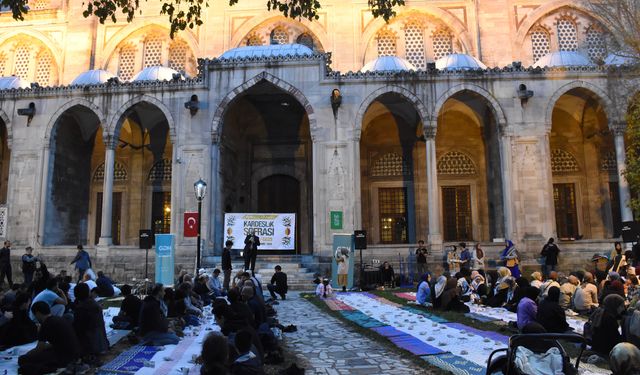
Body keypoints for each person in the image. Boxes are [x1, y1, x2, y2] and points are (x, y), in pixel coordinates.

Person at [18, 301, 81, 375]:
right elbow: (58, 341)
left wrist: (27, 355)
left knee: (22, 360)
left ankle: (54, 368)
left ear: (38, 313)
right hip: (74, 353)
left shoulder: (46, 324)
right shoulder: (60, 319)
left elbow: (39, 348)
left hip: (63, 357)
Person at [72, 283, 109, 363]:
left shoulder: (81, 308)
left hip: (90, 347)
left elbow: (78, 329)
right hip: (102, 343)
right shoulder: (95, 304)